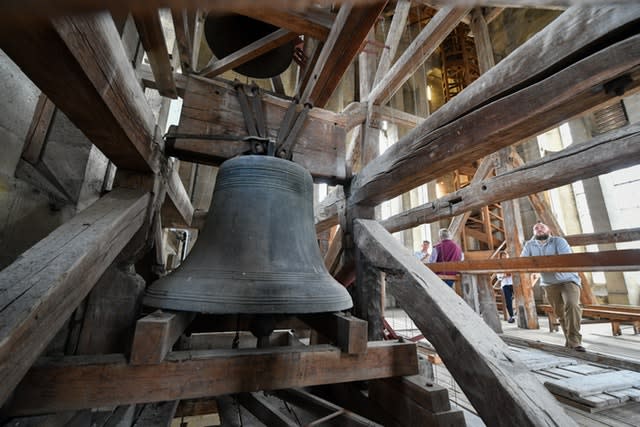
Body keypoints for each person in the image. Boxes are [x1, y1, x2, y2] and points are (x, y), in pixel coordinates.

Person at [521, 222, 585, 352]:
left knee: (572, 305)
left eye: (542, 227)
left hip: (568, 280)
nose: (539, 229)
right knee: (560, 313)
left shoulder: (559, 241)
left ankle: (575, 341)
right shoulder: (529, 245)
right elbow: (523, 262)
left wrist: (537, 264)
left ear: (548, 230)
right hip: (549, 283)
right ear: (534, 233)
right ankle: (570, 340)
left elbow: (564, 259)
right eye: (536, 228)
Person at [496, 251, 515, 323]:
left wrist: (511, 274)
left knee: (517, 299)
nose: (504, 257)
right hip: (505, 284)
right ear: (500, 257)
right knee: (508, 301)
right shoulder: (499, 265)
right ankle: (511, 316)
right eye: (502, 256)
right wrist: (504, 275)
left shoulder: (511, 263)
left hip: (513, 283)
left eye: (505, 255)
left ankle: (517, 313)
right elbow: (498, 277)